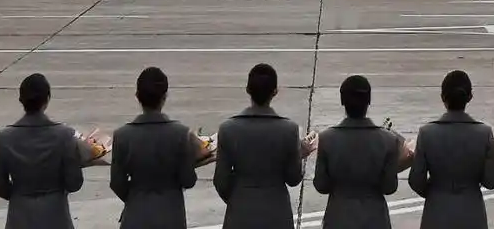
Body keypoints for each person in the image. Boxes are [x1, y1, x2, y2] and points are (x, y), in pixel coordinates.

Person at [213, 63, 304, 229]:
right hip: (277, 213)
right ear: (275, 91)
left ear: (248, 90)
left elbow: (221, 181)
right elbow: (293, 178)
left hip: (240, 213)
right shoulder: (289, 130)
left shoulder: (228, 129)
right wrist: (299, 153)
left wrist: (239, 198)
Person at [0, 73, 85, 229]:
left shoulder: (5, 137)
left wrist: (19, 196)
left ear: (21, 100)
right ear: (47, 99)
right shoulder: (64, 135)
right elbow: (74, 183)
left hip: (19, 215)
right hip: (56, 215)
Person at [109, 67, 200, 228]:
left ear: (138, 96)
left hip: (135, 215)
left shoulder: (122, 135)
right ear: (164, 97)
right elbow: (188, 180)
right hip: (171, 215)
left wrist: (137, 197)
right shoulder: (181, 134)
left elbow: (117, 183)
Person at [408, 70, 494, 229]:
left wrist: (436, 192)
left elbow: (416, 181)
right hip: (472, 213)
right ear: (469, 97)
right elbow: (491, 181)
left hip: (436, 213)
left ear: (443, 97)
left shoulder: (427, 133)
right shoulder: (484, 133)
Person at [313, 74, 400, 229]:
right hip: (375, 219)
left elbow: (321, 185)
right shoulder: (388, 140)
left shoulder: (327, 139)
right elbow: (389, 187)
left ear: (342, 101)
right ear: (369, 101)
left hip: (338, 218)